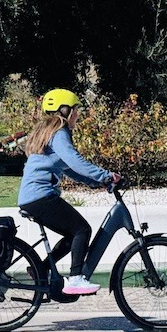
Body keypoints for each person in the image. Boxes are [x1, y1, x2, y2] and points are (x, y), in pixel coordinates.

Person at [17, 88, 119, 295]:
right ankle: (75, 279)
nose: (77, 114)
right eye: (75, 109)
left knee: (73, 234)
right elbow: (74, 160)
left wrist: (94, 182)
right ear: (65, 110)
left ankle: (41, 269)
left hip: (33, 198)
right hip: (41, 196)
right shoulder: (59, 132)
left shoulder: (48, 131)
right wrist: (105, 175)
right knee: (82, 230)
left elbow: (69, 168)